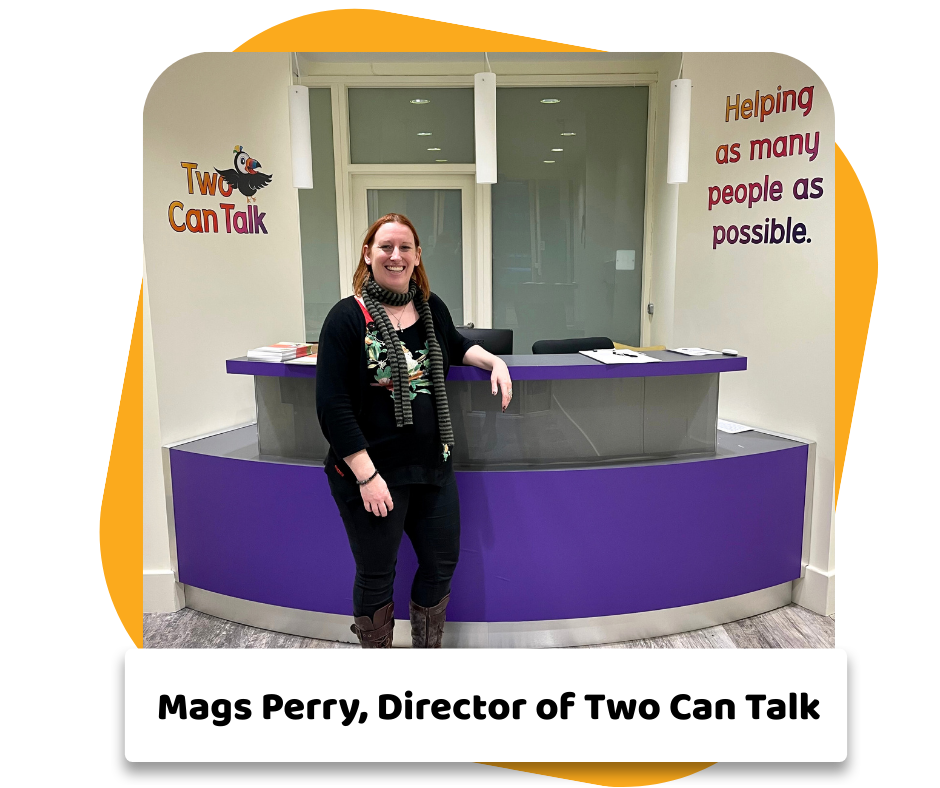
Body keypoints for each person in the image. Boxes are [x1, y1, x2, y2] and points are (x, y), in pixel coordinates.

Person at [316, 213, 512, 648]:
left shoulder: (430, 307)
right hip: (372, 474)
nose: (396, 255)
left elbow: (457, 344)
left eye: (405, 247)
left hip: (431, 467)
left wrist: (494, 361)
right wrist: (366, 477)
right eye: (385, 247)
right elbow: (332, 407)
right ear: (368, 254)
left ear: (417, 255)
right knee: (376, 573)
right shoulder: (347, 318)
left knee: (441, 564)